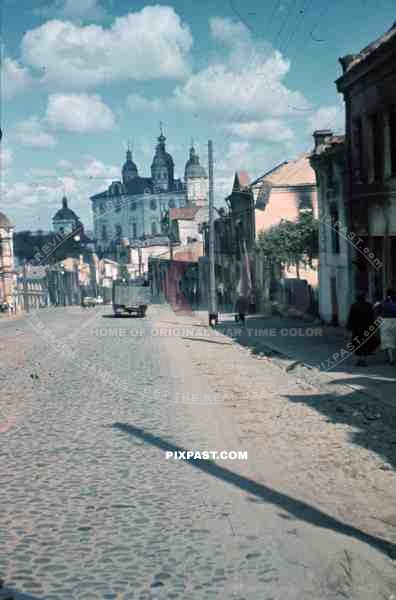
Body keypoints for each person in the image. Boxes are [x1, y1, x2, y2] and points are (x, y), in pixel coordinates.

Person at [346, 292, 377, 366]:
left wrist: (349, 326)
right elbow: (372, 317)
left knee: (357, 344)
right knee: (366, 343)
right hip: (367, 328)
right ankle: (363, 360)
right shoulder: (368, 305)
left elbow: (351, 317)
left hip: (357, 329)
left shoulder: (354, 306)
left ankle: (359, 359)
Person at [377, 289, 396, 365]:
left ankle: (391, 358)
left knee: (388, 341)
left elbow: (378, 310)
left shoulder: (383, 302)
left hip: (385, 321)